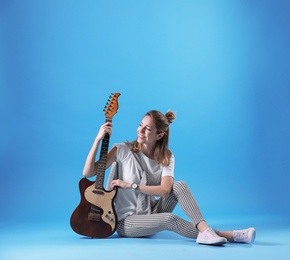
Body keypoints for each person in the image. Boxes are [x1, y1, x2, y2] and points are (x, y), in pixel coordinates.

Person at [83, 110, 256, 245]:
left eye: (148, 129)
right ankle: (230, 235)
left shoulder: (166, 157)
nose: (140, 131)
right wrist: (98, 139)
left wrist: (131, 185)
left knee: (179, 185)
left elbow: (165, 191)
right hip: (125, 222)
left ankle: (205, 231)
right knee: (169, 219)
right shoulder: (122, 150)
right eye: (140, 125)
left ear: (159, 135)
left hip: (151, 213)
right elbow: (88, 173)